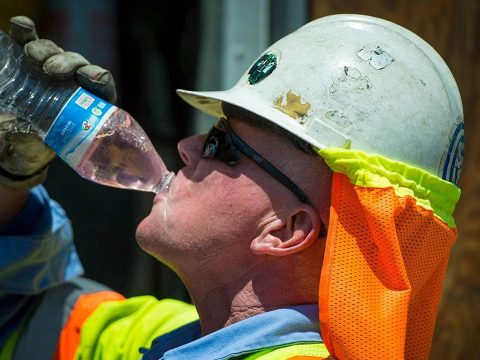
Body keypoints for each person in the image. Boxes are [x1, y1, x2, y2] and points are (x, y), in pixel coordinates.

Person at [0, 13, 463, 360]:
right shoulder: (184, 337)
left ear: (286, 229)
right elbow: (26, 320)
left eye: (222, 144)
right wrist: (11, 182)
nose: (186, 146)